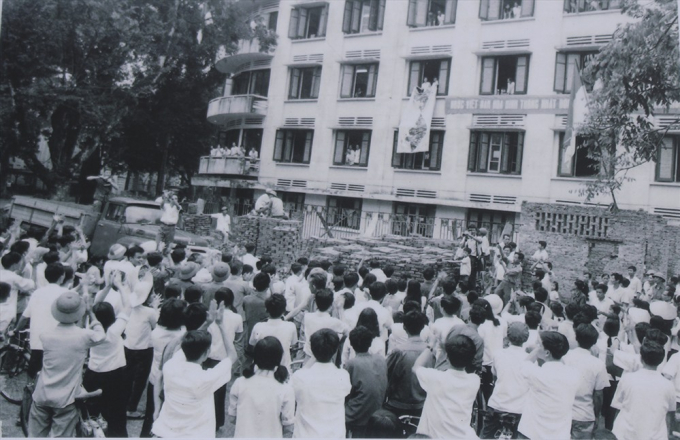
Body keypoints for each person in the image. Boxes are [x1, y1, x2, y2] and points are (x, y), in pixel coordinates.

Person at [152, 303, 238, 438]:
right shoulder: (207, 378)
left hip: (165, 432)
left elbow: (187, 344)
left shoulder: (170, 366)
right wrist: (220, 324)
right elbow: (232, 356)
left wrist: (207, 323)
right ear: (207, 353)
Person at [28, 291, 106, 437]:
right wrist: (91, 313)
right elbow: (101, 336)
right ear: (79, 313)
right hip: (66, 399)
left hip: (42, 394)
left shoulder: (45, 335)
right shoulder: (84, 336)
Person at [85, 271, 132, 437]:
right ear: (112, 315)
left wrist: (107, 286)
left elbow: (96, 304)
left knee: (92, 413)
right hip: (115, 375)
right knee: (116, 412)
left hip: (93, 373)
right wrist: (119, 285)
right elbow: (128, 305)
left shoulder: (90, 328)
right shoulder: (114, 330)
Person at [413, 334, 480, 438]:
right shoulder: (474, 380)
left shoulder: (435, 378)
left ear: (447, 358)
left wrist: (430, 345)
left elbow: (416, 367)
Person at [517, 331, 581, 439]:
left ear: (547, 353)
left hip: (531, 433)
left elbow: (524, 364)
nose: (536, 346)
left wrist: (536, 351)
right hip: (559, 435)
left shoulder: (537, 374)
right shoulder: (574, 374)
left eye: (539, 344)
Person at [228, 337, 295, 438]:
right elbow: (288, 427)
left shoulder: (239, 383)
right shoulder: (285, 388)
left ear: (255, 357)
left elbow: (232, 418)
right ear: (279, 358)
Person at [292, 328, 352, 437]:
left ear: (312, 350)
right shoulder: (343, 376)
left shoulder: (300, 377)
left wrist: (314, 355)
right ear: (335, 350)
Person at [612, 340, 676, 440]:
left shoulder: (627, 379)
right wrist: (668, 434)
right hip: (655, 436)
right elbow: (670, 415)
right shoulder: (668, 385)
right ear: (661, 360)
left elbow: (618, 407)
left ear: (641, 358)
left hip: (626, 435)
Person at [13, 263, 68, 379]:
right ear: (62, 276)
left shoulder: (37, 293)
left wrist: (16, 330)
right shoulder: (66, 294)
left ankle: (30, 389)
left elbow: (24, 317)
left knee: (33, 373)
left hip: (38, 341)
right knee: (55, 375)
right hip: (58, 341)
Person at [482, 322, 530, 439]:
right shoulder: (529, 359)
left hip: (497, 405)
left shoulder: (498, 354)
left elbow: (495, 375)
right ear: (526, 338)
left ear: (508, 336)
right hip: (519, 409)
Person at [563, 324, 610, 439]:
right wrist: (597, 415)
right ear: (594, 342)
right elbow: (598, 395)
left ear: (576, 337)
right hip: (584, 415)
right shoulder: (598, 364)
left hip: (563, 411)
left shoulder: (564, 357)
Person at [124, 274, 159, 419]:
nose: (154, 295)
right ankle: (131, 408)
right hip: (144, 349)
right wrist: (155, 308)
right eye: (152, 294)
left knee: (128, 377)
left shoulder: (131, 307)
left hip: (128, 346)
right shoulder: (150, 312)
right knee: (140, 380)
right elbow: (155, 327)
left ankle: (124, 404)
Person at [344, 326, 389, 438]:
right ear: (370, 343)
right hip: (378, 410)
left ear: (352, 344)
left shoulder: (351, 364)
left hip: (356, 415)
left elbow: (345, 393)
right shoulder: (381, 359)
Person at [385, 311, 428, 417]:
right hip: (423, 405)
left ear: (404, 327)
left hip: (398, 404)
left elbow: (386, 373)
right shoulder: (430, 351)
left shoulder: (398, 351)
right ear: (423, 327)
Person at [249, 293, 297, 370]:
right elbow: (293, 345)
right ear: (284, 310)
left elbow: (252, 346)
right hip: (283, 369)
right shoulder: (291, 326)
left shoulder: (258, 326)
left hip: (260, 368)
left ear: (266, 310)